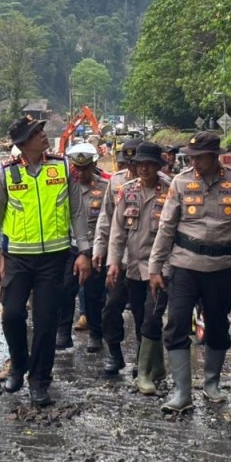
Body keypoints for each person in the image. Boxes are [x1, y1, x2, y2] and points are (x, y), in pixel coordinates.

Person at [149, 132, 231, 414]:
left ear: (215, 156)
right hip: (184, 266)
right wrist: (156, 267)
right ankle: (182, 392)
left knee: (217, 324)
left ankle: (212, 383)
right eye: (191, 157)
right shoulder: (180, 182)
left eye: (200, 157)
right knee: (177, 323)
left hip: (223, 268)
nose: (194, 162)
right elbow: (166, 227)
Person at [0, 115, 93, 407]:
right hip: (18, 257)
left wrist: (84, 251)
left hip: (54, 259)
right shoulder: (6, 174)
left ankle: (40, 381)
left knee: (45, 322)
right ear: (22, 143)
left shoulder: (62, 167)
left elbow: (78, 213)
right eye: (36, 132)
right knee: (12, 315)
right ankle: (19, 363)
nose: (44, 135)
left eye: (42, 130)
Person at [105, 142, 172, 395]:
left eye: (150, 164)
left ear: (157, 166)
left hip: (161, 267)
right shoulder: (126, 191)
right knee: (140, 317)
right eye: (140, 164)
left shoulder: (170, 191)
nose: (144, 169)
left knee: (152, 317)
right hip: (133, 266)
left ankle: (143, 372)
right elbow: (117, 230)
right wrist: (114, 263)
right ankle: (156, 366)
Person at [93, 138, 145, 374]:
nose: (132, 169)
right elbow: (106, 220)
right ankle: (114, 353)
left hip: (146, 260)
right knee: (111, 308)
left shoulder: (163, 185)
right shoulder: (116, 182)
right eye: (128, 163)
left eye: (137, 163)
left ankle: (143, 359)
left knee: (143, 311)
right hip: (120, 258)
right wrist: (99, 250)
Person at [55, 142, 109, 353]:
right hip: (69, 247)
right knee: (65, 289)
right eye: (76, 168)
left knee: (94, 293)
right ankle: (63, 332)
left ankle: (96, 334)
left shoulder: (105, 188)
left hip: (96, 248)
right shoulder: (64, 188)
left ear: (93, 165)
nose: (80, 172)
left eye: (85, 168)